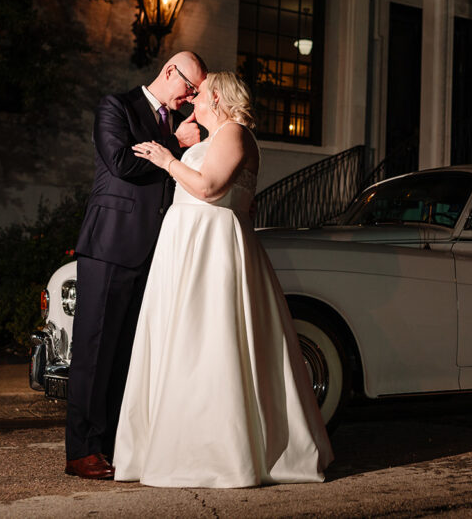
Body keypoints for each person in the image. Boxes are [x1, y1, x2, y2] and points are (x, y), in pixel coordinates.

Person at [113, 71, 333, 488]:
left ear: (217, 98)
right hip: (189, 247)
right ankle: (167, 446)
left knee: (210, 342)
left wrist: (168, 160)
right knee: (181, 343)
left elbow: (212, 188)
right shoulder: (213, 138)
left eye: (200, 92)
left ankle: (219, 454)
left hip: (211, 250)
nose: (193, 98)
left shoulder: (234, 132)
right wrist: (184, 152)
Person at [65, 51, 208, 480]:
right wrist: (176, 147)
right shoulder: (116, 106)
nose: (191, 96)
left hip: (154, 252)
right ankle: (81, 450)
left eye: (198, 92)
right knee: (93, 351)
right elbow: (123, 162)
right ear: (170, 71)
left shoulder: (175, 123)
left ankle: (111, 445)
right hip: (110, 245)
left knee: (126, 354)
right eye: (190, 86)